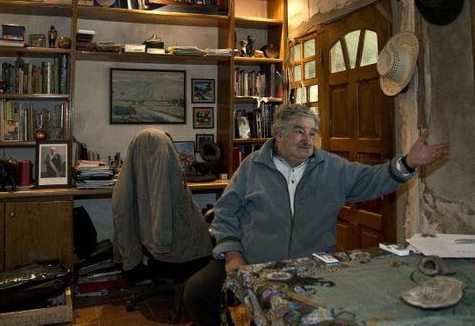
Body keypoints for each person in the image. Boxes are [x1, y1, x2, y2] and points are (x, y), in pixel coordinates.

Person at [183, 104, 450, 325]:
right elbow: (225, 211)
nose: (307, 139)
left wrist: (407, 163)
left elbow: (371, 179)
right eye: (299, 131)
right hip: (254, 262)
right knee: (197, 291)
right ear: (278, 132)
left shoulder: (332, 168)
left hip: (308, 267)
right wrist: (233, 253)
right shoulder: (251, 167)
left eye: (312, 133)